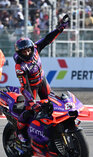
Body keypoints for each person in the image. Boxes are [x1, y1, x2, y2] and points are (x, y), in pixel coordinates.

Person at [13, 14, 70, 143]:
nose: (27, 53)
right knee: (29, 110)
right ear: (19, 53)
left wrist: (60, 29)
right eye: (23, 52)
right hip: (30, 87)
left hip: (42, 80)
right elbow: (24, 86)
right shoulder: (20, 66)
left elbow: (47, 39)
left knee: (51, 103)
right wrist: (31, 101)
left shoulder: (36, 48)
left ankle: (51, 128)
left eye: (28, 50)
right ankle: (20, 132)